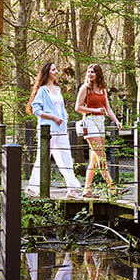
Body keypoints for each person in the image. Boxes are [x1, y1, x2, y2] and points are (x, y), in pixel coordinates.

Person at [25, 61, 83, 198]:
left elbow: (61, 108)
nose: (56, 71)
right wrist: (53, 117)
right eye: (53, 69)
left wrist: (64, 116)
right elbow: (36, 110)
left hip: (61, 129)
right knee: (43, 157)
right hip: (47, 129)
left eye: (56, 69)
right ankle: (33, 189)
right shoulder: (42, 90)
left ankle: (72, 190)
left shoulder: (57, 89)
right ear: (47, 72)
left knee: (66, 158)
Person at [75, 63, 122, 198]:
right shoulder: (85, 89)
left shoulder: (102, 89)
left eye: (93, 72)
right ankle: (112, 187)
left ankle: (86, 190)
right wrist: (94, 110)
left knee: (95, 160)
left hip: (101, 123)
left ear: (98, 74)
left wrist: (116, 121)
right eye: (89, 72)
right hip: (89, 122)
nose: (90, 74)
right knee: (101, 155)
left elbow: (108, 108)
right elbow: (77, 107)